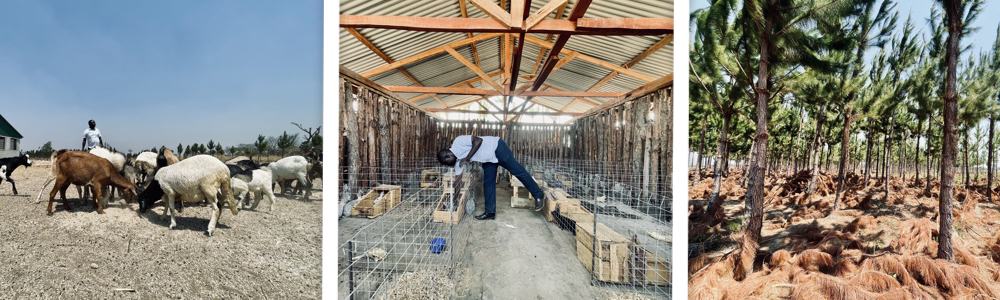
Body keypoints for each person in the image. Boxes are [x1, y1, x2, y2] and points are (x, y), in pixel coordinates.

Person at [437, 135, 544, 220]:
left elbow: (478, 140)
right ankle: (490, 212)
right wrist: (455, 198)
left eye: (446, 163)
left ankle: (538, 195)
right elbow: (458, 180)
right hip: (488, 160)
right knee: (488, 183)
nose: (448, 166)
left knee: (518, 172)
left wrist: (467, 158)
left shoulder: (458, 141)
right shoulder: (457, 163)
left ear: (448, 156)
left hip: (498, 148)